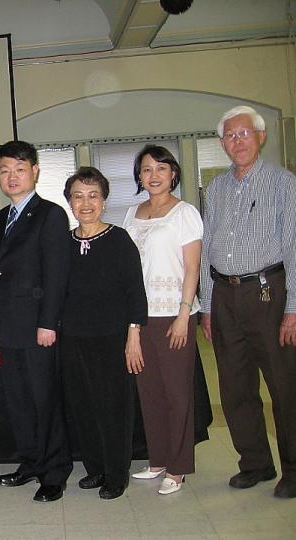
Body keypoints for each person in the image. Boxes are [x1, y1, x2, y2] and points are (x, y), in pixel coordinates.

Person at [200, 105, 296, 499]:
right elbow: (206, 249)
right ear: (222, 144)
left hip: (268, 293)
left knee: (284, 384)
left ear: (260, 137)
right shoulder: (218, 188)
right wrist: (207, 306)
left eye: (244, 134)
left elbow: (294, 247)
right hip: (224, 296)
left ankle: (293, 469)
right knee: (235, 387)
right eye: (229, 136)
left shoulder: (283, 183)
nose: (236, 142)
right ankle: (255, 462)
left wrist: (293, 308)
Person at [0, 140, 73, 502]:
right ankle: (31, 462)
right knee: (18, 401)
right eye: (5, 170)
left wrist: (49, 323)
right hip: (6, 327)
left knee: (45, 400)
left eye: (19, 169)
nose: (12, 177)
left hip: (39, 328)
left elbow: (57, 275)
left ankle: (54, 472)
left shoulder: (51, 215)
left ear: (35, 171)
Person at [60, 166, 147, 500]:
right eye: (78, 196)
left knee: (113, 408)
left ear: (104, 200)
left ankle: (116, 473)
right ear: (69, 202)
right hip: (73, 340)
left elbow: (135, 294)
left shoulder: (119, 240)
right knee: (82, 406)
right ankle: (95, 468)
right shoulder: (64, 243)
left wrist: (133, 335)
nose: (86, 203)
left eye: (93, 195)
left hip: (112, 339)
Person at [123, 144, 203, 495]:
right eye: (146, 170)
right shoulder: (131, 214)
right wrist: (130, 323)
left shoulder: (185, 213)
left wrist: (184, 314)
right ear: (139, 177)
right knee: (149, 392)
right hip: (141, 316)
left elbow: (192, 267)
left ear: (173, 173)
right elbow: (126, 270)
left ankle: (179, 466)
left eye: (160, 168)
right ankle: (157, 460)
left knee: (177, 393)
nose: (153, 176)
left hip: (174, 313)